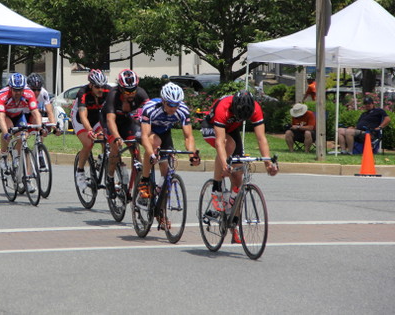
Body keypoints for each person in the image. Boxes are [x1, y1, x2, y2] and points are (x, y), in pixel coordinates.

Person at [200, 90, 278, 243]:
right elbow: (219, 142)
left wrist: (268, 164)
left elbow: (261, 139)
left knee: (238, 180)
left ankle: (233, 225)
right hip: (211, 127)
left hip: (231, 130)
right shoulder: (223, 107)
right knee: (228, 145)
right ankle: (216, 188)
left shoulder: (255, 108)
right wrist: (224, 165)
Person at [140, 83, 200, 212]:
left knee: (166, 174)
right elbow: (145, 136)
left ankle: (161, 212)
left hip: (165, 132)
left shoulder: (183, 110)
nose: (174, 108)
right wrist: (151, 154)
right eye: (170, 104)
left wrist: (192, 155)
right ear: (163, 101)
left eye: (176, 104)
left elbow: (188, 137)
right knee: (155, 143)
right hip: (149, 131)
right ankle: (144, 182)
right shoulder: (150, 108)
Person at [101, 69, 149, 194]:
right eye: (127, 90)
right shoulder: (113, 95)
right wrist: (116, 137)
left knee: (136, 151)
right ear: (121, 88)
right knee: (115, 147)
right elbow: (110, 120)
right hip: (109, 121)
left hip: (127, 121)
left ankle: (138, 185)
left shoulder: (141, 94)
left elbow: (149, 114)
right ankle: (110, 178)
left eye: (133, 89)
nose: (131, 93)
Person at [0, 73, 43, 193]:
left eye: (20, 90)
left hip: (18, 114)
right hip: (3, 114)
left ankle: (27, 178)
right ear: (10, 88)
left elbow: (35, 113)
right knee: (9, 130)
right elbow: (0, 117)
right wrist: (5, 133)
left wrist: (40, 127)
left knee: (23, 137)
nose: (18, 93)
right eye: (15, 90)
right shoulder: (2, 96)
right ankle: (4, 156)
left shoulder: (28, 93)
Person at [72, 69, 112, 191]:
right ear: (90, 85)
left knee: (107, 139)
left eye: (102, 86)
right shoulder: (83, 92)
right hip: (80, 119)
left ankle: (101, 158)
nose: (100, 89)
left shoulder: (108, 91)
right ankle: (80, 171)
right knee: (89, 143)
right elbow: (83, 116)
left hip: (97, 118)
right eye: (97, 87)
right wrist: (89, 130)